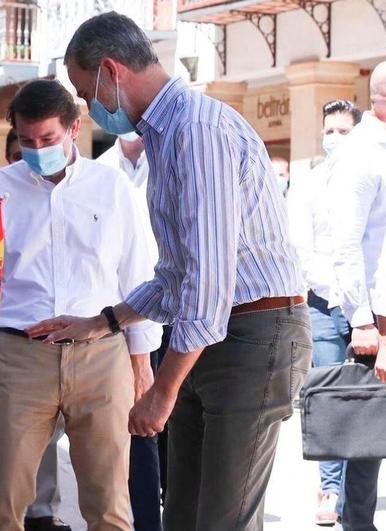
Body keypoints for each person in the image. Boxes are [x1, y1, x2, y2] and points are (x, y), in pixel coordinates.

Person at [34, 13, 310, 531]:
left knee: (221, 520)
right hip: (210, 337)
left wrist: (161, 391)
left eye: (82, 91)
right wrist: (104, 320)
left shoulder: (197, 129)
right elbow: (175, 275)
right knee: (182, 514)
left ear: (111, 71)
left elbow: (206, 286)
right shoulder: (165, 134)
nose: (87, 108)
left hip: (251, 336)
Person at [0, 79, 162, 531]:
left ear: (74, 129)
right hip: (20, 355)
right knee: (1, 498)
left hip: (102, 354)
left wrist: (141, 361)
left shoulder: (111, 187)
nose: (37, 149)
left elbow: (137, 275)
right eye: (27, 141)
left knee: (110, 499)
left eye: (48, 139)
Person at [0, 130, 72, 531]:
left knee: (48, 439)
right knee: (3, 446)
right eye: (18, 154)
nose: (27, 162)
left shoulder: (74, 196)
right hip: (12, 343)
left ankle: (43, 509)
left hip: (71, 345)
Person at [287, 99, 362, 526]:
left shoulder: (373, 176)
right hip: (323, 301)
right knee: (330, 396)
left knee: (367, 398)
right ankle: (331, 486)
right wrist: (335, 291)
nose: (334, 139)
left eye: (343, 132)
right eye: (329, 131)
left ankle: (357, 485)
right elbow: (301, 246)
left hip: (367, 304)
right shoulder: (309, 184)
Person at [328, 62, 386, 531]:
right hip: (379, 320)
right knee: (369, 440)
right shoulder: (362, 152)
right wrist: (362, 320)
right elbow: (344, 241)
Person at [98, 133, 162, 531]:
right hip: (125, 316)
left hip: (181, 310)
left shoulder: (172, 158)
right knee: (139, 429)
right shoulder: (99, 172)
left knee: (177, 426)